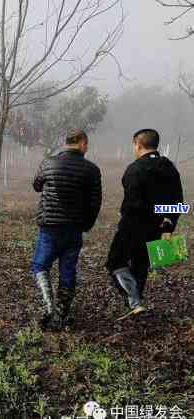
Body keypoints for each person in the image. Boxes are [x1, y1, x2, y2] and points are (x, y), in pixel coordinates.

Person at [106, 129, 183, 321]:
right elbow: (178, 201)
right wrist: (168, 226)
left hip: (133, 227)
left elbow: (133, 204)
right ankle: (136, 306)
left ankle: (134, 302)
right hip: (157, 228)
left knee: (115, 262)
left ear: (138, 145)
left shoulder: (134, 169)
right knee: (140, 265)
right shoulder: (170, 168)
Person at [30, 130, 102, 329]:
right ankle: (61, 315)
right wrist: (86, 224)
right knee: (67, 271)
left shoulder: (48, 163)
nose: (87, 148)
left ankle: (48, 306)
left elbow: (36, 185)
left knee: (39, 266)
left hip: (49, 227)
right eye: (86, 144)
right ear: (81, 143)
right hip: (74, 229)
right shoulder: (92, 170)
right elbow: (95, 202)